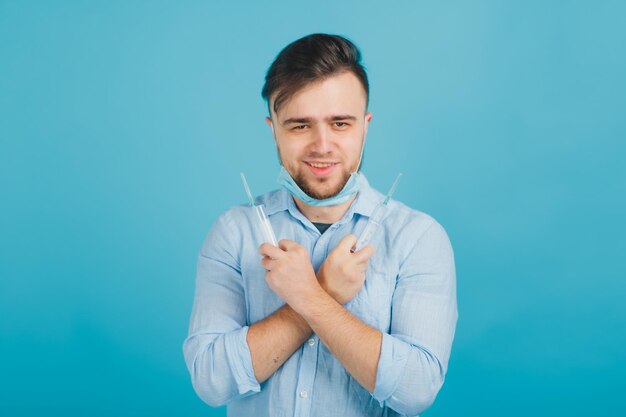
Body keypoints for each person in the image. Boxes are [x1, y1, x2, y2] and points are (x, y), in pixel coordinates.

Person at [183, 33, 458, 417]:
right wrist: (326, 290)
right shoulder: (234, 232)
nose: (322, 145)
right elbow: (211, 380)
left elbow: (416, 389)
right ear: (273, 129)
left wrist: (310, 297)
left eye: (340, 123)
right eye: (300, 126)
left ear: (365, 126)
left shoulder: (417, 238)